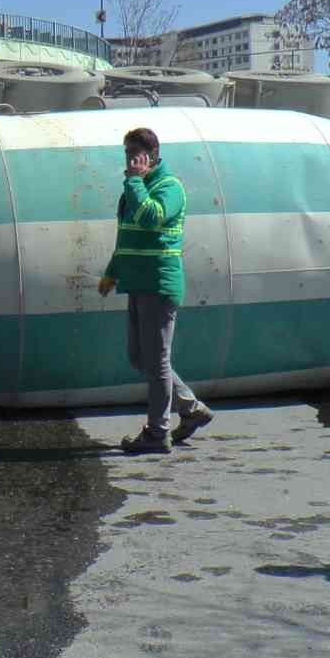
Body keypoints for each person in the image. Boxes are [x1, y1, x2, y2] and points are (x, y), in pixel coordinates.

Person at [97, 127, 213, 454]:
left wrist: (134, 181)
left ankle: (157, 433)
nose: (130, 160)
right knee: (140, 357)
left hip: (159, 284)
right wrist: (112, 272)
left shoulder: (169, 187)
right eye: (127, 154)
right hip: (137, 283)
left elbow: (151, 218)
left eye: (136, 154)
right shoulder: (135, 189)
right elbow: (128, 236)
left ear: (152, 154)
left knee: (157, 360)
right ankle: (190, 409)